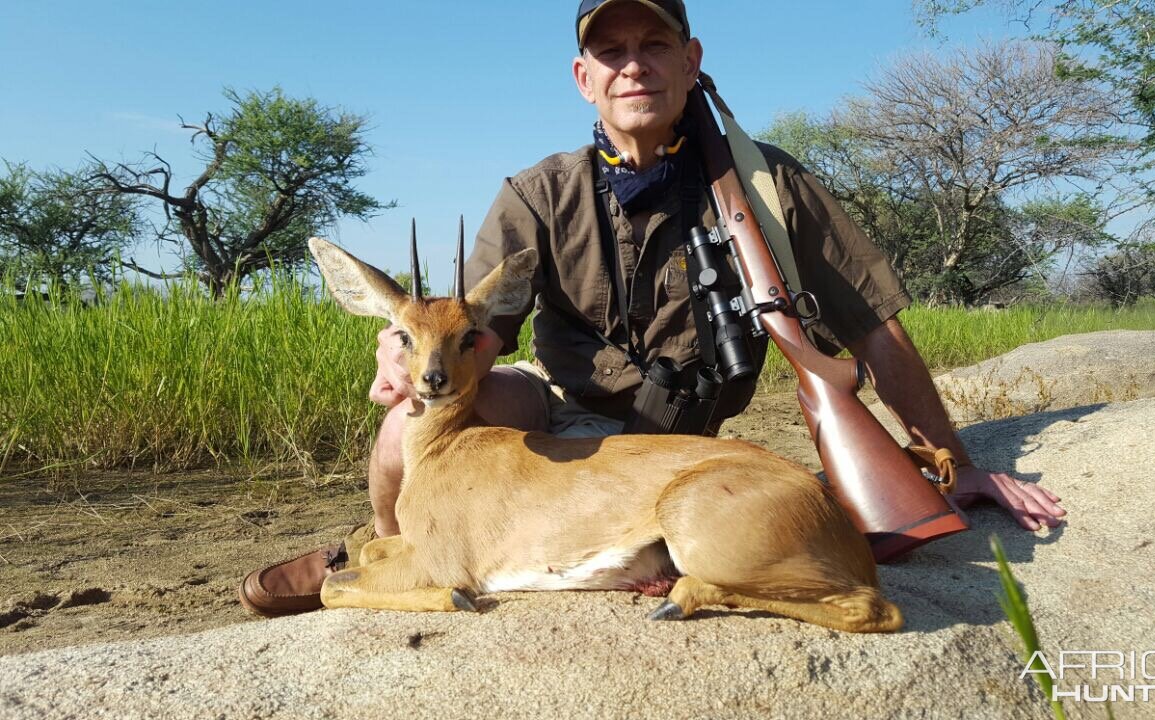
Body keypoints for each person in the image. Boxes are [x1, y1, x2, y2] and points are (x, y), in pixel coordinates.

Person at [238, 0, 1066, 617]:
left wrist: (957, 462)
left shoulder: (766, 187)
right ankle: (382, 547)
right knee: (415, 417)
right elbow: (462, 326)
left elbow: (875, 329)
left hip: (675, 443)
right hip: (563, 414)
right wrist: (405, 355)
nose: (634, 65)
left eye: (654, 45)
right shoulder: (540, 193)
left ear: (690, 57)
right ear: (584, 77)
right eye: (612, 51)